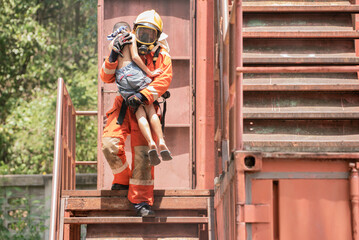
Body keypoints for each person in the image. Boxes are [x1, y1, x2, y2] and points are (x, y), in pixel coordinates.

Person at [100, 10, 172, 217]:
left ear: (157, 36)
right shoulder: (121, 47)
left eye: (150, 35)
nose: (145, 39)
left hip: (145, 103)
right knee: (109, 144)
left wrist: (143, 96)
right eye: (142, 33)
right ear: (134, 31)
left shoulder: (162, 56)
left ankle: (141, 202)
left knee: (143, 157)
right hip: (123, 105)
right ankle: (122, 180)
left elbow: (163, 80)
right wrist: (113, 56)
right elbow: (106, 77)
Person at [107, 22, 172, 166]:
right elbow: (136, 58)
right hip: (135, 77)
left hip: (123, 82)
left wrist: (112, 56)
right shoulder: (131, 37)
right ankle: (160, 141)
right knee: (149, 109)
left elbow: (107, 76)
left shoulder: (112, 43)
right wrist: (149, 74)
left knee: (139, 112)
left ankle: (150, 143)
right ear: (132, 30)